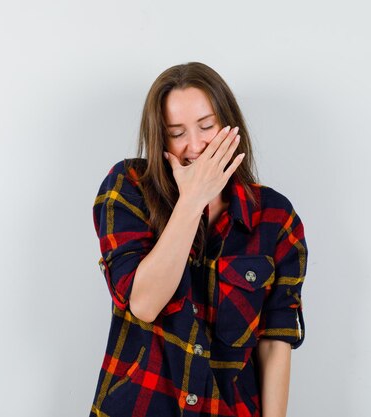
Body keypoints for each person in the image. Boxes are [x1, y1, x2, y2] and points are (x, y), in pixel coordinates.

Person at [89, 62, 308, 417]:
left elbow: (275, 343)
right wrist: (192, 200)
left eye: (207, 126)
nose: (195, 145)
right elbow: (144, 303)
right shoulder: (127, 188)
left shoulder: (275, 217)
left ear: (229, 124)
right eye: (176, 132)